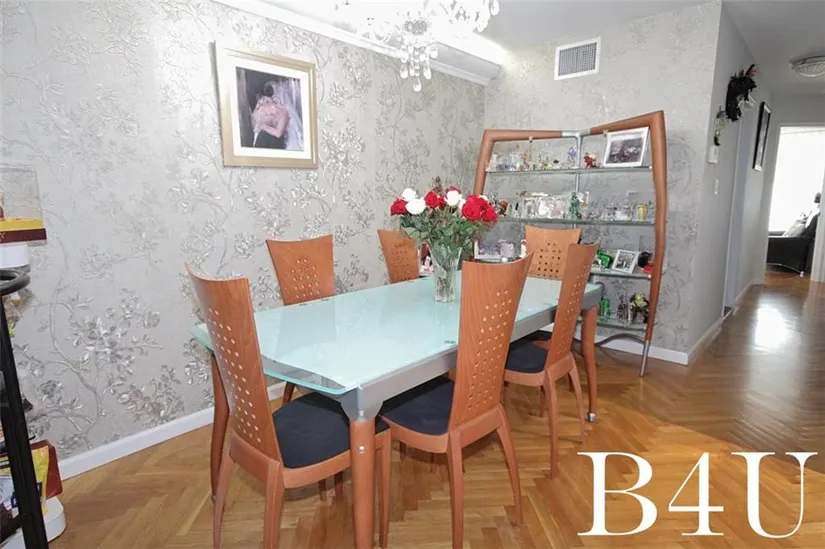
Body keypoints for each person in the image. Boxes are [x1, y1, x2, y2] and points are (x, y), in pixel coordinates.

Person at [251, 82, 289, 149]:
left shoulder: (283, 112)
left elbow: (278, 134)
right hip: (263, 139)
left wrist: (264, 126)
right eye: (262, 100)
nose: (263, 102)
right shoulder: (260, 111)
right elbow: (256, 120)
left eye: (266, 101)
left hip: (275, 142)